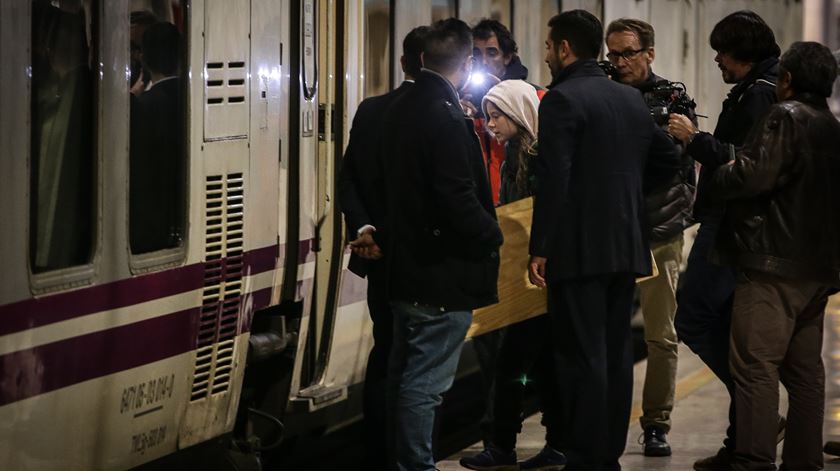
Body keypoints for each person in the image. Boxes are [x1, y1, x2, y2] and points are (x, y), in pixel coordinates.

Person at [527, 10, 680, 470]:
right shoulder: (629, 99)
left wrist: (541, 247)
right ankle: (607, 452)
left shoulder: (561, 99)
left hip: (577, 247)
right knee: (614, 353)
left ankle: (584, 455)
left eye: (550, 47)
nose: (548, 55)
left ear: (565, 48)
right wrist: (626, 194)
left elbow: (554, 178)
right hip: (625, 244)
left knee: (580, 354)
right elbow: (668, 159)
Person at [704, 41, 840, 471]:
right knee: (804, 374)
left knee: (755, 366)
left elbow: (752, 176)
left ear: (787, 80)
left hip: (772, 263)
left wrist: (721, 171)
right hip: (816, 269)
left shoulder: (785, 116)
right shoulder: (831, 126)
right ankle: (804, 461)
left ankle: (754, 460)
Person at [381, 18, 503, 471]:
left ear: (422, 59)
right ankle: (417, 465)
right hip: (441, 273)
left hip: (405, 266)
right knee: (425, 384)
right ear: (467, 61)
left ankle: (404, 460)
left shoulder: (398, 108)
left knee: (405, 376)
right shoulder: (448, 117)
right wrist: (492, 233)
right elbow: (456, 196)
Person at [667, 10, 781, 470]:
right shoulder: (763, 90)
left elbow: (746, 167)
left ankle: (755, 411)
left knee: (692, 317)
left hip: (732, 225)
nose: (716, 59)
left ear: (745, 54)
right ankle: (744, 437)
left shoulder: (759, 96)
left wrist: (695, 139)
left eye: (723, 51)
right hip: (741, 227)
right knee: (734, 334)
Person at [336, 25, 428, 471]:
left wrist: (367, 227)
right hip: (429, 262)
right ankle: (411, 455)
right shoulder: (447, 112)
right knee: (422, 364)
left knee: (386, 348)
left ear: (405, 63)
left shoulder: (371, 110)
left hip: (379, 258)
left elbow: (348, 178)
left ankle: (379, 452)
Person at [605, 18, 696, 457]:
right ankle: (595, 421)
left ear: (650, 53)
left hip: (659, 231)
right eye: (613, 53)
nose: (619, 62)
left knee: (660, 335)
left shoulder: (672, 97)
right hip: (609, 233)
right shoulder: (601, 88)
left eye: (628, 53)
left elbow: (673, 158)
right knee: (602, 333)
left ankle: (656, 423)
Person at [457, 79, 556, 470]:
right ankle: (524, 444)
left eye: (497, 115)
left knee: (523, 361)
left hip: (541, 273)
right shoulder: (515, 151)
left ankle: (513, 446)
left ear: (518, 113)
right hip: (523, 274)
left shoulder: (541, 155)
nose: (491, 124)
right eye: (487, 116)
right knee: (528, 361)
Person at [129, 22, 184, 254]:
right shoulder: (193, 102)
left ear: (145, 61)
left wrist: (132, 94)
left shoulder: (142, 106)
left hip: (150, 229)